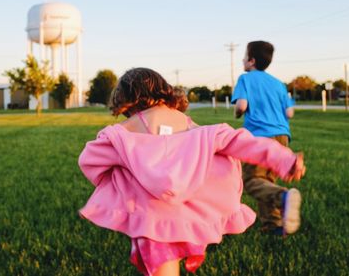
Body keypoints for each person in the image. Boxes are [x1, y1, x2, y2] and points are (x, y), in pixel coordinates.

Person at [78, 67, 305, 275]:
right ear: (163, 90)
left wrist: (119, 180)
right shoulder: (198, 131)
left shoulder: (123, 134)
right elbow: (243, 143)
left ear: (127, 99)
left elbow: (89, 160)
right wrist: (285, 160)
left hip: (150, 219)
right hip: (188, 218)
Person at [231, 40, 300, 235]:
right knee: (266, 180)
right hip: (282, 136)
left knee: (252, 180)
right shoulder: (279, 84)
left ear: (251, 61)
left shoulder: (246, 79)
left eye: (244, 57)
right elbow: (290, 113)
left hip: (259, 137)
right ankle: (274, 226)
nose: (243, 60)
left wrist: (237, 114)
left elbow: (242, 106)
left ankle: (283, 197)